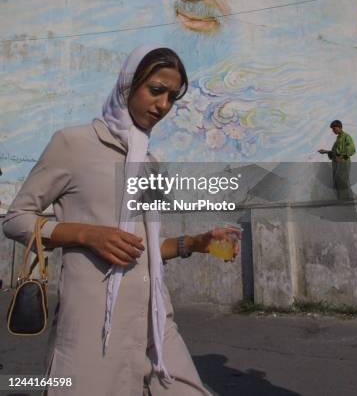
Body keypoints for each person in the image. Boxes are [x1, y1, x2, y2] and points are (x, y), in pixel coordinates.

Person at [3, 45, 240, 396]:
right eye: (156, 90)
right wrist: (86, 234)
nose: (163, 105)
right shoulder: (74, 144)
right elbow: (15, 219)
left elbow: (141, 250)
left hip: (155, 325)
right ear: (128, 86)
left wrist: (196, 243)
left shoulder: (149, 162)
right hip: (94, 329)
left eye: (172, 97)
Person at [318, 120, 356, 200]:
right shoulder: (338, 138)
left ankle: (345, 201)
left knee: (343, 181)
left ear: (340, 127)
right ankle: (342, 200)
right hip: (337, 164)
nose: (333, 131)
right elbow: (336, 152)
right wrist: (326, 151)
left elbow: (351, 150)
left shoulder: (346, 137)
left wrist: (342, 158)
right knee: (338, 182)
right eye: (332, 129)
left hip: (343, 164)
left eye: (334, 128)